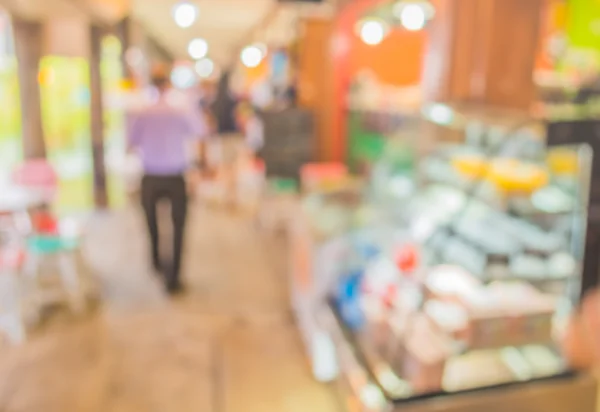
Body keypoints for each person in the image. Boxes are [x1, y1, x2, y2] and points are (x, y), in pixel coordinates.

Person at [128, 69, 207, 294]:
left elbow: (130, 142)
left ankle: (156, 264)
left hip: (151, 175)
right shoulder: (180, 110)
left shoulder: (142, 112)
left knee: (151, 224)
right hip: (174, 175)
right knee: (178, 227)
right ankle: (173, 277)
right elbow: (200, 132)